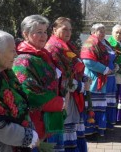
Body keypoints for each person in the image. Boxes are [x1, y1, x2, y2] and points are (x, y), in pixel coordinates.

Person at [12, 15, 65, 151]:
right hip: (33, 122)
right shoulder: (23, 60)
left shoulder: (42, 55)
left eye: (45, 31)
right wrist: (60, 103)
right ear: (25, 34)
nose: (43, 36)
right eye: (38, 32)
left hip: (47, 120)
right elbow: (29, 92)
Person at [45, 17, 90, 152]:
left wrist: (84, 78)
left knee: (72, 132)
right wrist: (80, 86)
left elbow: (75, 69)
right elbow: (59, 80)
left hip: (72, 95)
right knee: (65, 135)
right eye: (64, 29)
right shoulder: (53, 48)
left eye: (70, 29)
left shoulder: (68, 46)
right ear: (54, 29)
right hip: (64, 97)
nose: (68, 32)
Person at [80, 23, 113, 137]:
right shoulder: (90, 43)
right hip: (93, 79)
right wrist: (104, 69)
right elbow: (88, 61)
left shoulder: (101, 43)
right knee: (92, 105)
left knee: (99, 106)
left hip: (101, 79)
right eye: (100, 31)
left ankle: (98, 129)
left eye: (104, 31)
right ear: (93, 32)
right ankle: (89, 131)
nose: (103, 33)